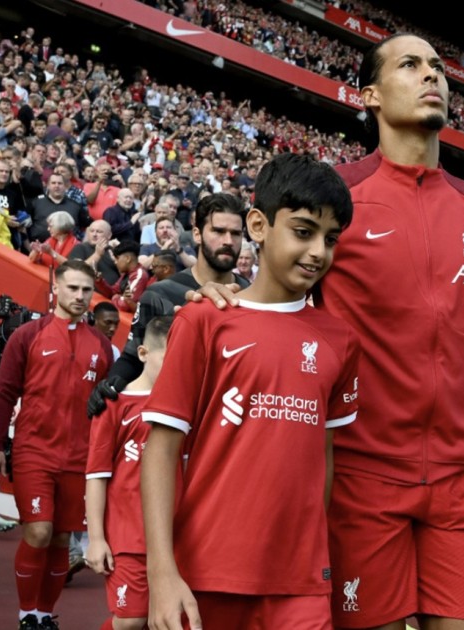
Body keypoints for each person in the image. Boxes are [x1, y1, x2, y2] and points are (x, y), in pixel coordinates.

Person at [192, 34, 464, 630]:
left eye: (437, 67)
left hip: (457, 483)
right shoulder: (340, 197)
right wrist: (221, 297)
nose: (432, 75)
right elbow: (279, 293)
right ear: (370, 94)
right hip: (359, 476)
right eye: (411, 65)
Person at [141, 153, 359, 630]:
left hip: (301, 583)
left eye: (330, 239)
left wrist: (310, 552)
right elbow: (160, 449)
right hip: (208, 572)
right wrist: (161, 571)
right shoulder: (202, 320)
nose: (319, 251)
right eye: (303, 231)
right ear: (258, 226)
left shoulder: (341, 341)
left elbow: (323, 458)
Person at [0, 260, 113, 630]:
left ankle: (44, 615)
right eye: (73, 289)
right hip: (34, 451)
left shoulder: (102, 346)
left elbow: (109, 409)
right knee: (39, 531)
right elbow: (4, 392)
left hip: (79, 458)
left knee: (62, 538)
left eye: (85, 290)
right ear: (57, 290)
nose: (80, 296)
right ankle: (26, 614)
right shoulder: (28, 335)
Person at [86, 193, 251, 414]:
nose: (228, 241)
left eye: (236, 233)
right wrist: (111, 384)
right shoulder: (160, 293)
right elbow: (134, 357)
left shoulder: (252, 296)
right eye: (219, 231)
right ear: (197, 234)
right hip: (175, 418)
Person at [85, 315, 172, 630]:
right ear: (144, 354)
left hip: (178, 534)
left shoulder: (188, 404)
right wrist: (95, 539)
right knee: (130, 620)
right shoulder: (113, 404)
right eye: (169, 356)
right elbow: (96, 475)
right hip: (128, 536)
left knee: (169, 617)